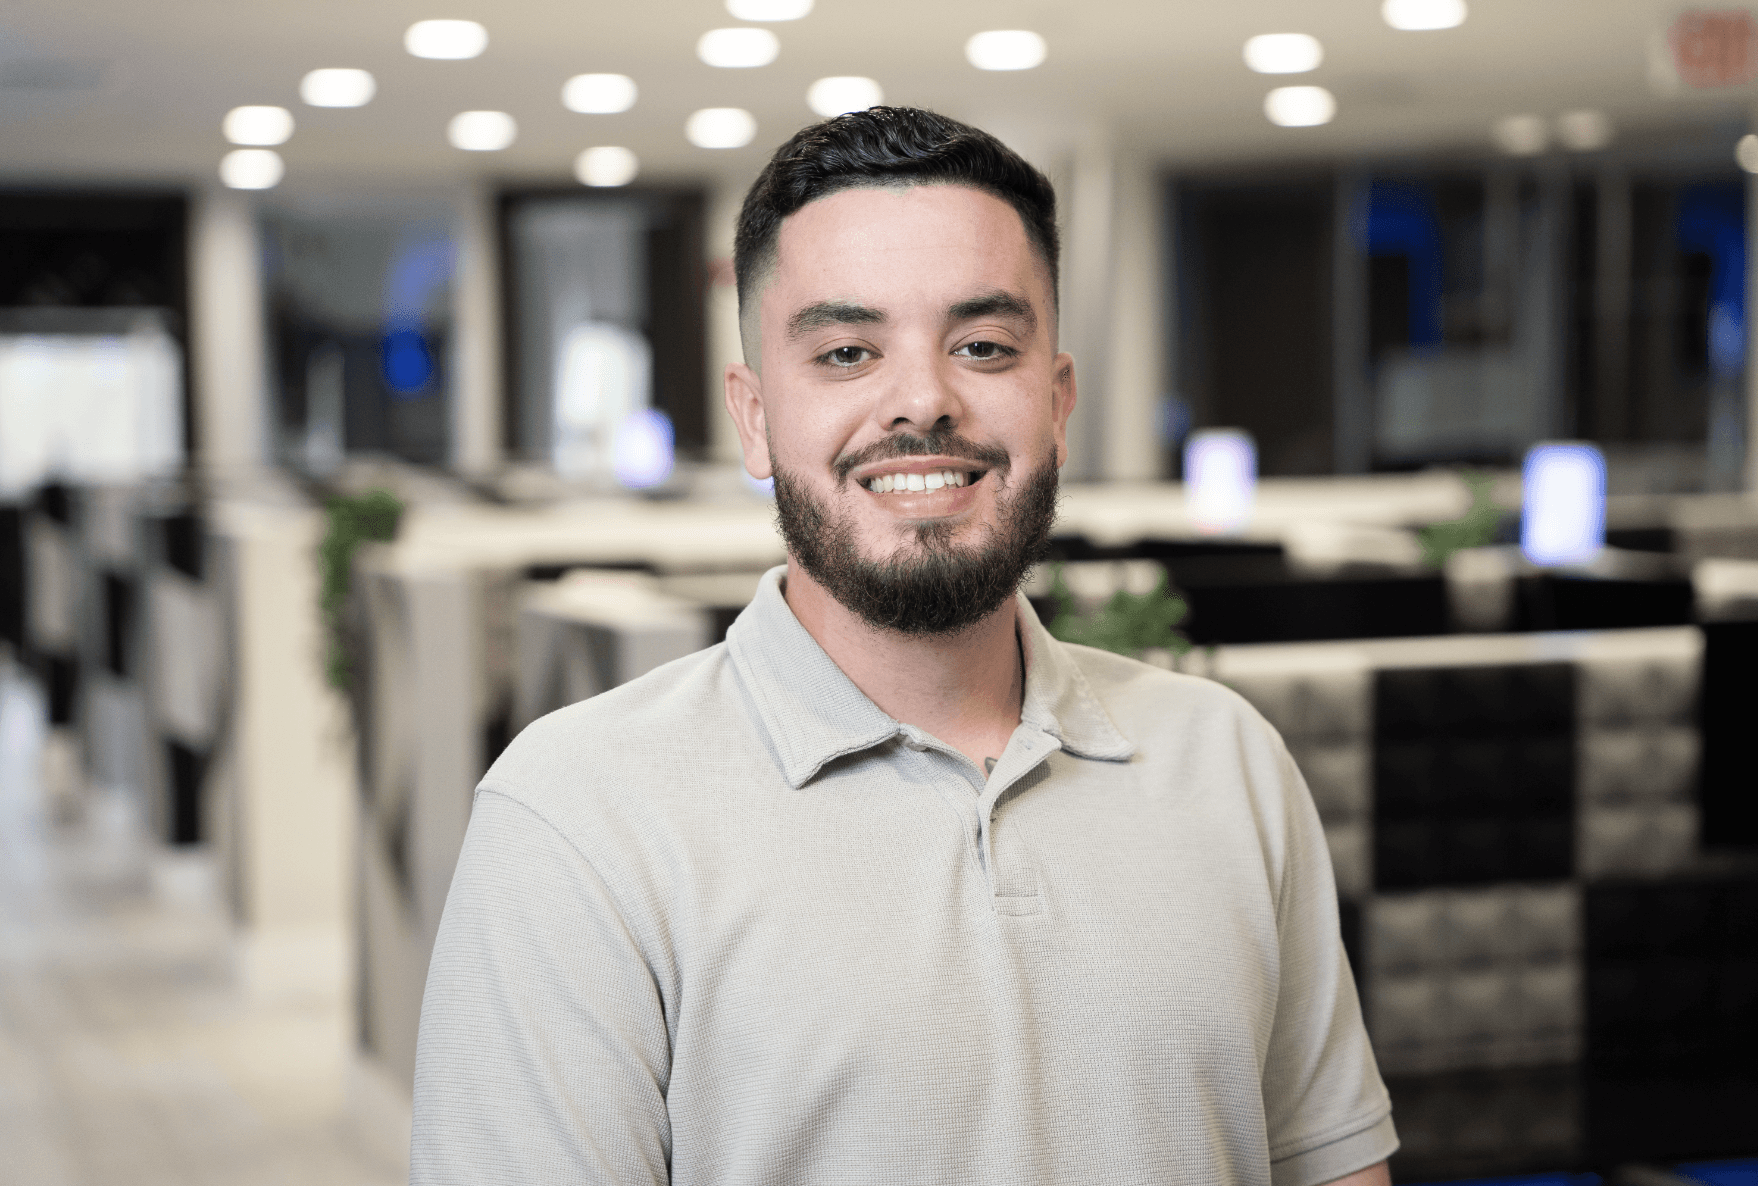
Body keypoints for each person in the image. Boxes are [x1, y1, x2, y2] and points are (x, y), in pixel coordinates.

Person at [410, 107, 1397, 1185]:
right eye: (847, 352)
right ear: (755, 416)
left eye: (984, 347)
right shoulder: (576, 816)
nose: (923, 399)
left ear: (1057, 402)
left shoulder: (1229, 761)